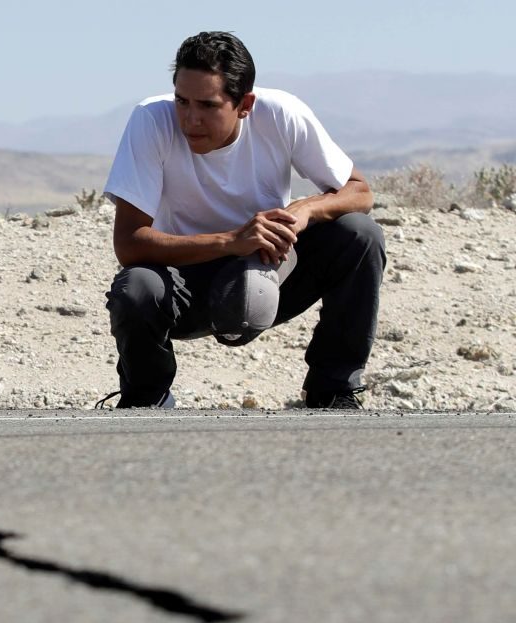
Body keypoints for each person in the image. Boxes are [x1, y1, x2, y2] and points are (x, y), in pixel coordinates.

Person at [101, 31, 386, 409]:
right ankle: (145, 399)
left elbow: (360, 192)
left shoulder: (282, 114)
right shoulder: (151, 121)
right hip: (185, 281)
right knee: (136, 287)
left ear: (244, 104)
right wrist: (231, 240)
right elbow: (130, 244)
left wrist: (305, 210)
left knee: (360, 234)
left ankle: (333, 390)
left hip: (270, 271)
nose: (190, 119)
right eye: (182, 101)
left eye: (207, 105)